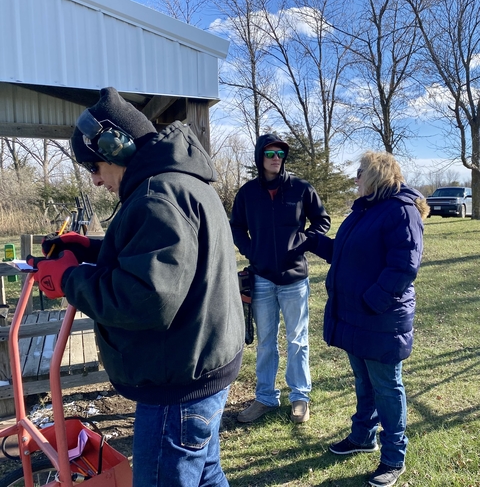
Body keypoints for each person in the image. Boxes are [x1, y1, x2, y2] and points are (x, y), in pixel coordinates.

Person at [27, 87, 245, 487]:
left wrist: (69, 279)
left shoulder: (156, 196)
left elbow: (145, 297)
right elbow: (161, 259)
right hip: (202, 368)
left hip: (177, 385)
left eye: (94, 166)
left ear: (118, 147)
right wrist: (91, 250)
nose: (95, 181)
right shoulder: (181, 181)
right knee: (207, 475)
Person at [309, 151, 429, 487]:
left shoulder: (401, 211)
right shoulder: (364, 211)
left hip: (380, 319)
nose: (355, 178)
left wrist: (372, 302)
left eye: (360, 172)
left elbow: (404, 266)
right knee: (364, 382)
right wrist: (313, 241)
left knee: (387, 388)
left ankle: (393, 457)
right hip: (355, 317)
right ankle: (362, 436)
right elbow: (344, 255)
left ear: (375, 175)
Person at [230, 133, 331, 424]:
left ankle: (300, 397)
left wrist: (304, 242)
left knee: (298, 340)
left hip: (294, 278)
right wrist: (251, 251)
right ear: (260, 157)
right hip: (262, 278)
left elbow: (321, 220)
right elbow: (236, 226)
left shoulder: (300, 188)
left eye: (281, 154)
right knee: (265, 342)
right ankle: (265, 397)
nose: (276, 159)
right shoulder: (248, 193)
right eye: (271, 154)